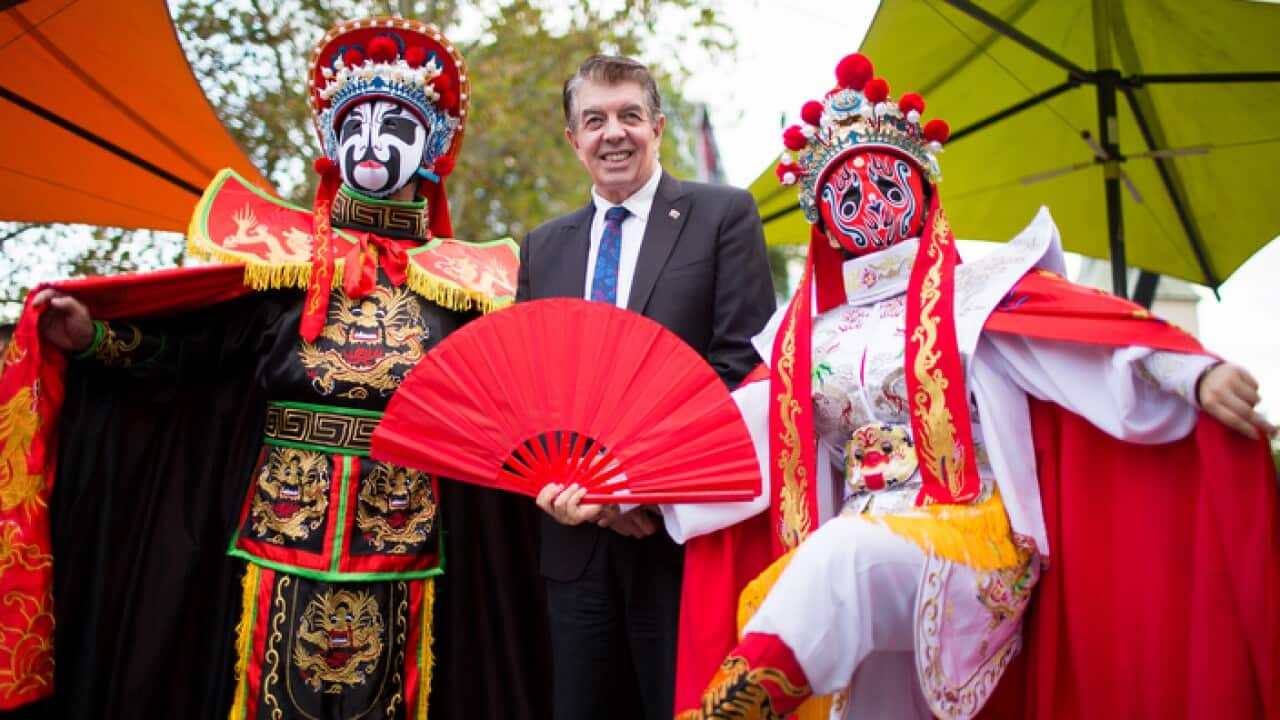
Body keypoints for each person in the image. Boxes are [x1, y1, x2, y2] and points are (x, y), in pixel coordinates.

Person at [641, 53, 1276, 719]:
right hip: (856, 532)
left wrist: (1192, 375)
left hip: (971, 536)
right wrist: (619, 484)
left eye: (888, 186)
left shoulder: (979, 287)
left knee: (839, 562)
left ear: (922, 187)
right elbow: (732, 438)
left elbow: (1083, 347)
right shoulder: (803, 333)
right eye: (848, 197)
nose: (872, 208)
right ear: (823, 217)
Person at [0, 18, 550, 718]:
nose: (372, 144)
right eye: (354, 125)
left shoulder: (468, 287)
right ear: (330, 144)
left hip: (407, 532)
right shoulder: (279, 266)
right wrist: (97, 338)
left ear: (434, 150)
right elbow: (190, 368)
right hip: (280, 524)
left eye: (397, 126)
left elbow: (511, 410)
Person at [516, 55, 775, 720]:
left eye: (630, 115)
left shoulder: (724, 216)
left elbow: (738, 372)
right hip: (574, 541)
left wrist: (640, 489)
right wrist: (594, 497)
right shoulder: (541, 248)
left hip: (680, 540)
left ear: (657, 126)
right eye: (595, 120)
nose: (614, 132)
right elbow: (532, 387)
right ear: (574, 141)